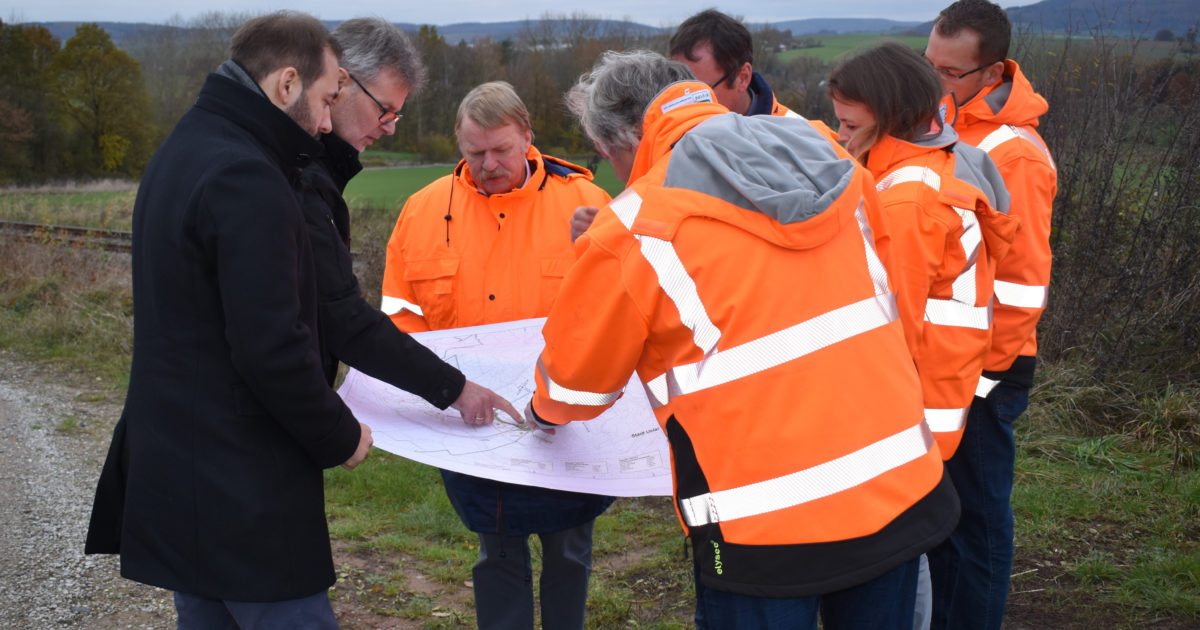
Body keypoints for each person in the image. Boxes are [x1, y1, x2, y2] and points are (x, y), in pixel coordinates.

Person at [527, 49, 960, 630]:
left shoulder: (634, 224)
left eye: (607, 159)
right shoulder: (823, 151)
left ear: (619, 144)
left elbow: (573, 388)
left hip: (767, 532)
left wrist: (538, 409)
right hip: (900, 485)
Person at [85, 11, 369, 628]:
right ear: (285, 85)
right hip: (242, 489)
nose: (327, 124)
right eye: (324, 101)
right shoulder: (249, 176)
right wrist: (341, 435)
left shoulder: (183, 149)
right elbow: (270, 347)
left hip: (177, 472)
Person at [380, 81, 614, 630]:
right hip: (471, 418)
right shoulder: (422, 211)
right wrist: (437, 392)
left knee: (569, 551)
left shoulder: (588, 205)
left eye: (501, 149)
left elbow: (623, 312)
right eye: (474, 152)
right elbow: (400, 320)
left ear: (527, 137)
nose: (488, 164)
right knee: (497, 551)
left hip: (565, 417)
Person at [827, 40, 1019, 630]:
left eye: (849, 123)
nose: (841, 134)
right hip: (935, 391)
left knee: (902, 554)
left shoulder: (907, 198)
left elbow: (893, 321)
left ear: (886, 116)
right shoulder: (929, 166)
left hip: (915, 400)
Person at [299, 17, 517, 429]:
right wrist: (453, 388)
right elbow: (342, 317)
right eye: (385, 111)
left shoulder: (311, 170)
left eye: (397, 115)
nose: (391, 128)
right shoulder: (298, 178)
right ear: (340, 84)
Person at [923, 2, 1058, 629]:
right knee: (941, 523)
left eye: (950, 73)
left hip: (983, 372)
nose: (936, 82)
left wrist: (980, 381)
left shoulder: (1016, 155)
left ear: (993, 71)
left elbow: (1022, 287)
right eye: (930, 66)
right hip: (947, 365)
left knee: (975, 525)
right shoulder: (948, 118)